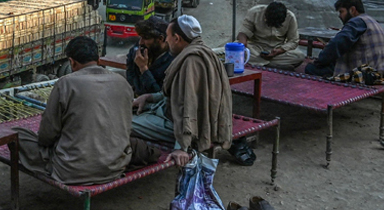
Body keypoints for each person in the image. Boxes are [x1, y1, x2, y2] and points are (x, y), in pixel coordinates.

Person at [16, 36, 135, 185]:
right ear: (98, 60)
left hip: (72, 171)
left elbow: (47, 135)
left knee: (17, 134)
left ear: (72, 62)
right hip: (115, 167)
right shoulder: (122, 82)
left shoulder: (65, 84)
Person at [132, 15, 233, 166]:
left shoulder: (191, 62)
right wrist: (149, 97)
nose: (166, 41)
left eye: (168, 37)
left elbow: (188, 106)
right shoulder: (204, 52)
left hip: (181, 127)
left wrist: (182, 147)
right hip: (172, 114)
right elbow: (174, 94)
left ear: (177, 38)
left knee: (123, 123)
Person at [306, 0, 384, 77]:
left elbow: (337, 43)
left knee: (310, 68)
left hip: (368, 74)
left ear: (352, 10)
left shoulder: (356, 22)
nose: (339, 16)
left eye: (341, 12)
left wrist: (318, 62)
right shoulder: (370, 20)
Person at [237, 2, 304, 70]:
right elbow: (243, 31)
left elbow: (294, 40)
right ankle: (271, 65)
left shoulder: (290, 17)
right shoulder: (255, 12)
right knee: (231, 49)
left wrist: (279, 50)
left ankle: (260, 63)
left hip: (277, 49)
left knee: (299, 56)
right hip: (256, 47)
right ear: (265, 15)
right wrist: (242, 44)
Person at [126, 17, 175, 96]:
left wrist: (143, 69)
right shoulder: (141, 48)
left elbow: (158, 94)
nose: (140, 42)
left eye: (145, 38)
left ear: (160, 39)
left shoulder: (172, 61)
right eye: (140, 37)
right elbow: (130, 70)